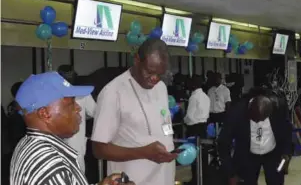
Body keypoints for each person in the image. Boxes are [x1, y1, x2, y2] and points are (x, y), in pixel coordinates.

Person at [10, 72, 134, 185]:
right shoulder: (51, 167)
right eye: (71, 104)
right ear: (44, 113)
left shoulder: (30, 144)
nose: (78, 108)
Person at [91, 38, 178, 185]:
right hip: (133, 180)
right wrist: (144, 152)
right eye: (149, 72)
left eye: (160, 74)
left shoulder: (161, 87)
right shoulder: (113, 92)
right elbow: (98, 148)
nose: (154, 79)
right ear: (137, 60)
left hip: (164, 178)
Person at [217, 88, 292, 185]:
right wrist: (230, 173)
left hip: (273, 154)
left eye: (262, 119)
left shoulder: (278, 108)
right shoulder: (236, 112)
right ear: (250, 109)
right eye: (255, 119)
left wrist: (286, 153)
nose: (258, 122)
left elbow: (287, 130)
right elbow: (223, 142)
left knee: (276, 181)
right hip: (247, 155)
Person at [58, 64, 97, 173]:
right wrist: (84, 116)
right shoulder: (83, 94)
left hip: (59, 147)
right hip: (76, 147)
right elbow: (95, 112)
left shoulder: (52, 94)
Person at [184, 75, 210, 185]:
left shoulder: (194, 97)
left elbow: (189, 116)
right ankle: (204, 178)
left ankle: (195, 180)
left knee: (193, 155)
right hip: (203, 127)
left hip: (194, 128)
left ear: (194, 84)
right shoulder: (205, 96)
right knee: (203, 156)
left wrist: (184, 120)